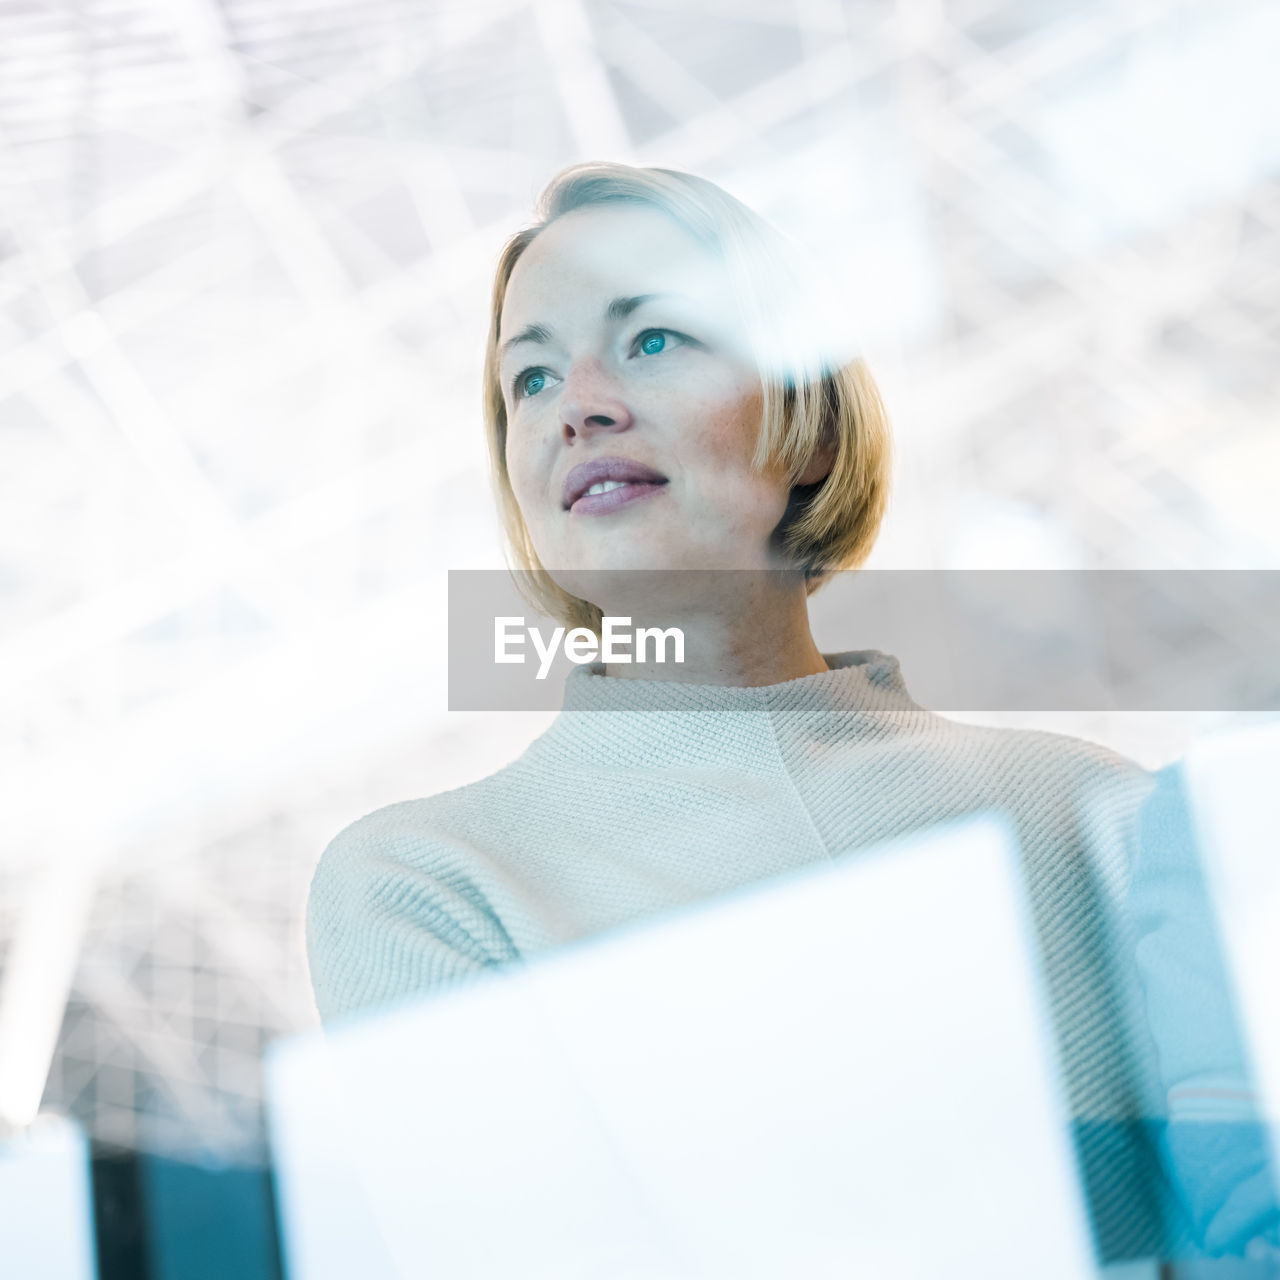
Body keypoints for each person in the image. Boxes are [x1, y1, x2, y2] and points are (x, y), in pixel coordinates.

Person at [305, 161, 1200, 1263]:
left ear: (808, 424)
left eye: (650, 340)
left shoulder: (1087, 807)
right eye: (528, 380)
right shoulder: (426, 884)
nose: (575, 405)